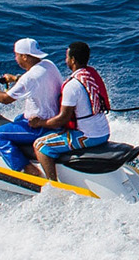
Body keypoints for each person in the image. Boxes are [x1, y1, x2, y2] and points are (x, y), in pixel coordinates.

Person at [0, 38, 64, 176]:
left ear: (25, 57)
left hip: (41, 126)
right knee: (18, 118)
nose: (16, 58)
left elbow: (5, 99)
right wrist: (16, 79)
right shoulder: (48, 64)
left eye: (17, 55)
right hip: (54, 116)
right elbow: (35, 81)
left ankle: (28, 169)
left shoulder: (29, 78)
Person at [30, 42, 113, 182]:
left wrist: (39, 123)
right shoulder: (90, 75)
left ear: (73, 60)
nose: (65, 60)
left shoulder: (72, 85)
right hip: (104, 131)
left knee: (40, 145)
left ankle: (53, 184)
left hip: (89, 136)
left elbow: (62, 119)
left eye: (67, 57)